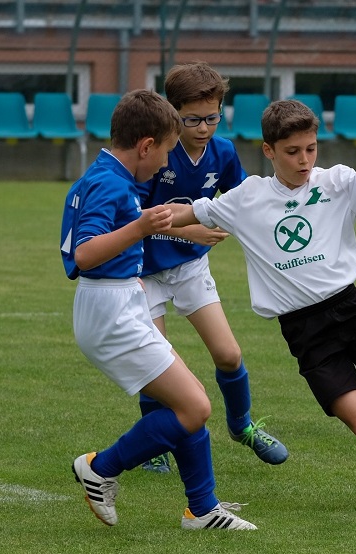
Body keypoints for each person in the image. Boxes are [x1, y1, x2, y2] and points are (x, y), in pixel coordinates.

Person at [168, 99, 356, 508]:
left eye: (311, 149)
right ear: (269, 151)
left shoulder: (335, 182)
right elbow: (186, 213)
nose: (304, 160)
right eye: (292, 152)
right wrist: (130, 219)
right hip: (305, 332)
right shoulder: (247, 198)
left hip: (354, 312)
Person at [60, 89, 257, 530]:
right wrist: (139, 226)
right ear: (146, 146)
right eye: (166, 152)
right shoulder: (109, 184)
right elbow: (85, 255)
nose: (168, 164)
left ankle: (202, 510)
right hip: (109, 310)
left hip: (119, 302)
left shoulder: (111, 178)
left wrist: (173, 226)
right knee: (195, 407)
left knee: (187, 401)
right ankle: (101, 467)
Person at [136, 62, 288, 474]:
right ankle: (153, 444)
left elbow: (241, 201)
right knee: (157, 364)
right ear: (173, 113)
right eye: (192, 119)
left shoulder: (222, 152)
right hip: (146, 270)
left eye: (212, 117)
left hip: (190, 270)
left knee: (228, 353)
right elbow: (137, 217)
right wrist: (194, 233)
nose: (204, 128)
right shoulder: (157, 155)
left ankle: (242, 427)